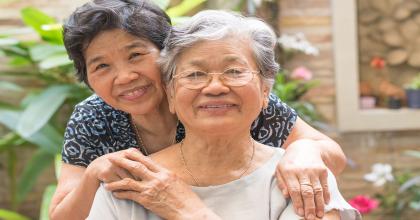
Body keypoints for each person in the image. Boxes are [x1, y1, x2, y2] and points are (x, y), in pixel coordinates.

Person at [50, 0, 347, 220]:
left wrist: (304, 149)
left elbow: (331, 155)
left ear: (167, 54)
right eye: (101, 66)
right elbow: (63, 214)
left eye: (136, 55)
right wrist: (92, 175)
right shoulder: (93, 117)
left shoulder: (234, 101)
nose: (125, 76)